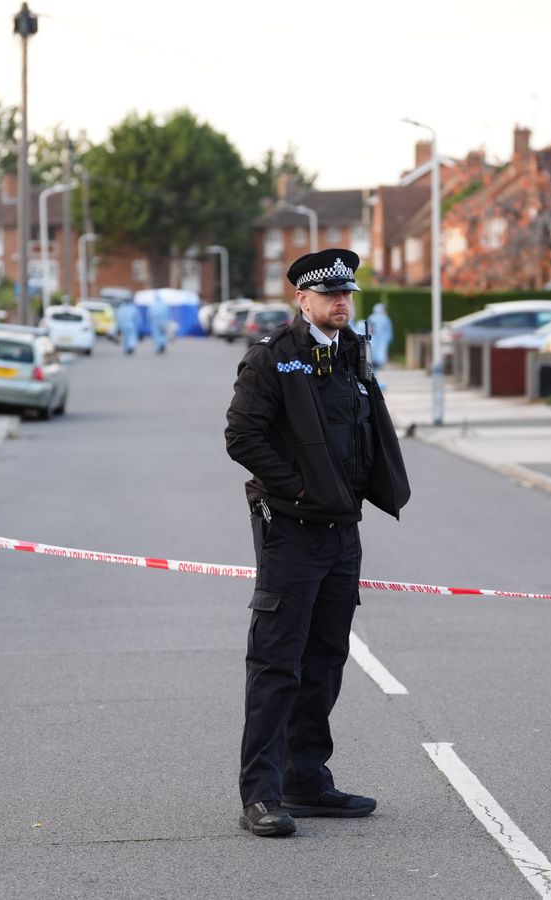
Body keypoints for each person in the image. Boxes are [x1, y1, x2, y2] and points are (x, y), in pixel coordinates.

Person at [224, 249, 410, 838]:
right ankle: (261, 795)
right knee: (276, 664)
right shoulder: (273, 359)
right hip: (292, 532)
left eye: (346, 295)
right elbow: (242, 436)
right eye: (328, 295)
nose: (340, 303)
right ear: (301, 299)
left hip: (342, 533)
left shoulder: (353, 357)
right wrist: (300, 487)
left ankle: (306, 779)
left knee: (325, 659)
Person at [367, 302, 394, 377]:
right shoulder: (384, 318)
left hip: (379, 340)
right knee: (376, 357)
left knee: (378, 358)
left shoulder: (374, 317)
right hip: (376, 340)